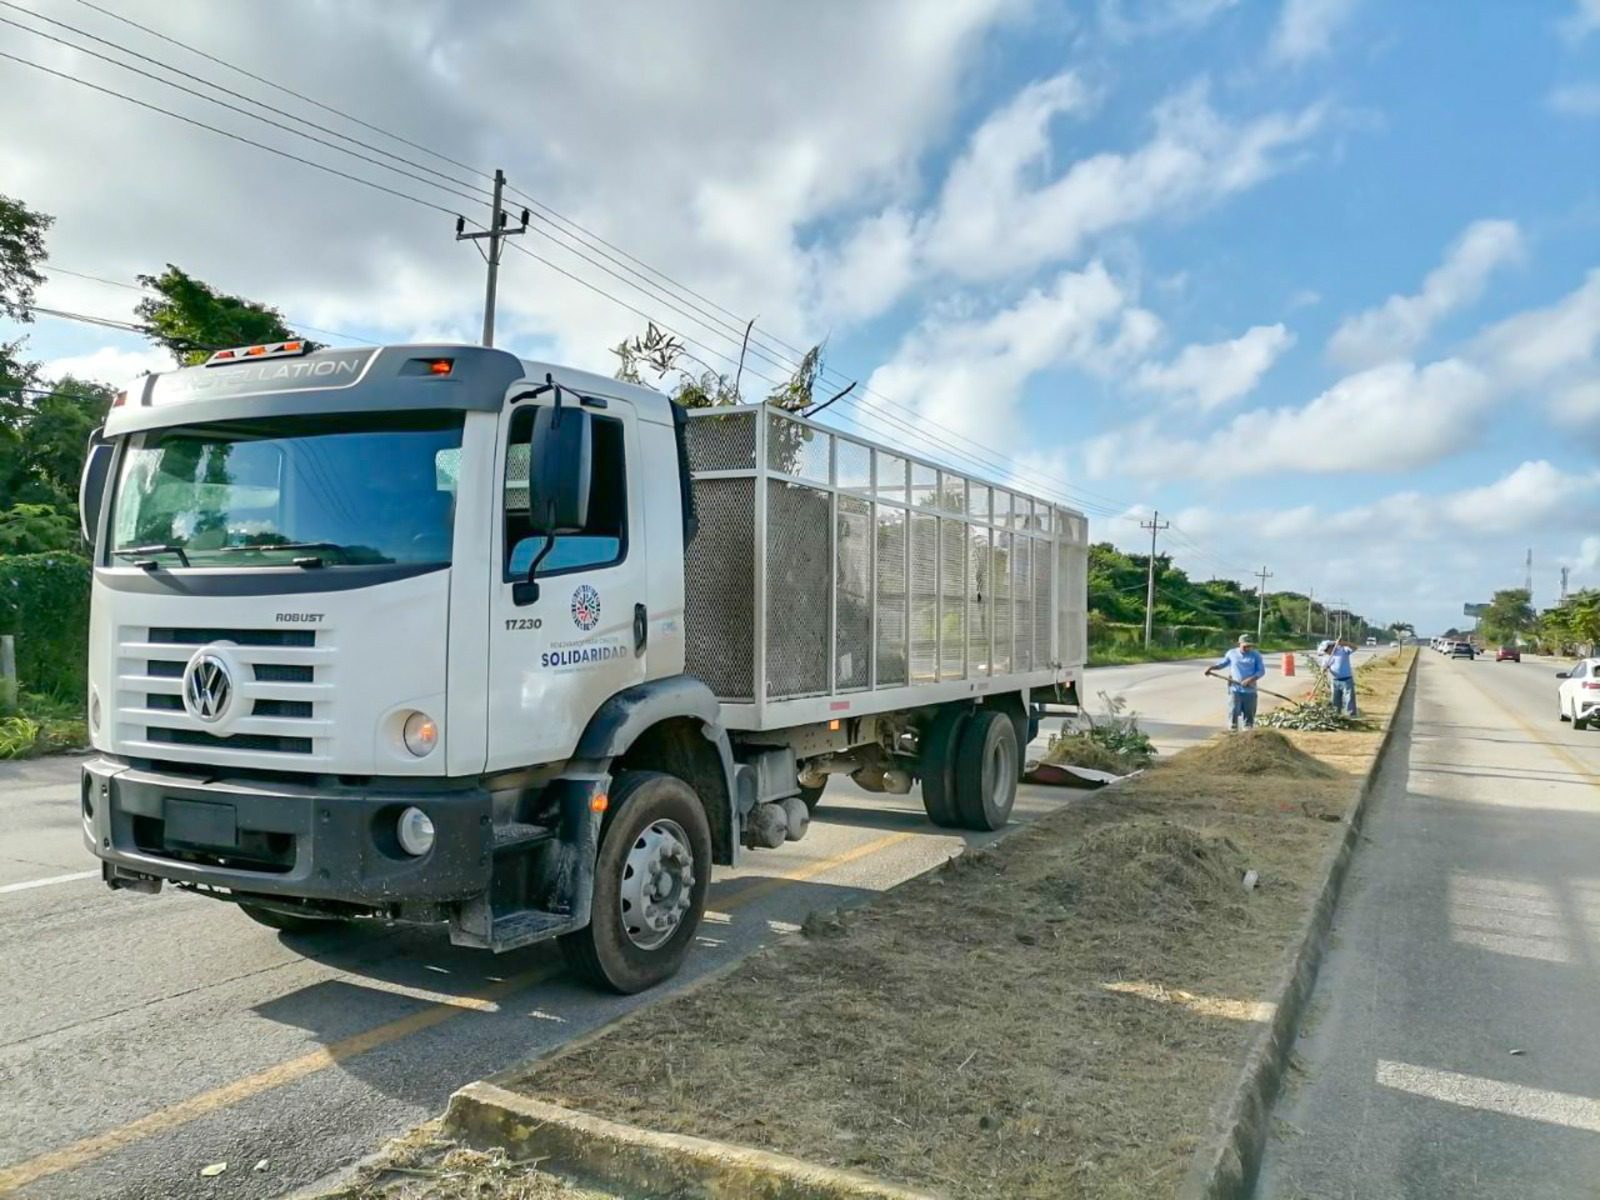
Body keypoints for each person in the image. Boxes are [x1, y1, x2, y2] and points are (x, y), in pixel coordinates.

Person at [1206, 633, 1266, 731]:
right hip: (1235, 688)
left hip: (1250, 690)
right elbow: (1222, 664)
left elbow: (1261, 671)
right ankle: (1233, 730)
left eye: (1249, 646)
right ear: (1240, 644)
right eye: (1245, 646)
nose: (1248, 648)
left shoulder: (1256, 655)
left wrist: (1250, 679)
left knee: (1249, 715)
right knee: (1233, 710)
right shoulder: (1232, 653)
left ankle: (1248, 732)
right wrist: (1212, 668)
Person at [1325, 637, 1358, 716]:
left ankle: (1351, 715)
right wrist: (1324, 669)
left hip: (1346, 680)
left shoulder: (1343, 650)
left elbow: (1355, 647)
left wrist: (1345, 643)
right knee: (1335, 700)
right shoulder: (1327, 657)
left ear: (1331, 647)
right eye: (1325, 650)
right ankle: (1336, 715)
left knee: (1349, 699)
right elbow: (1324, 667)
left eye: (1327, 649)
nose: (1326, 652)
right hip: (1335, 681)